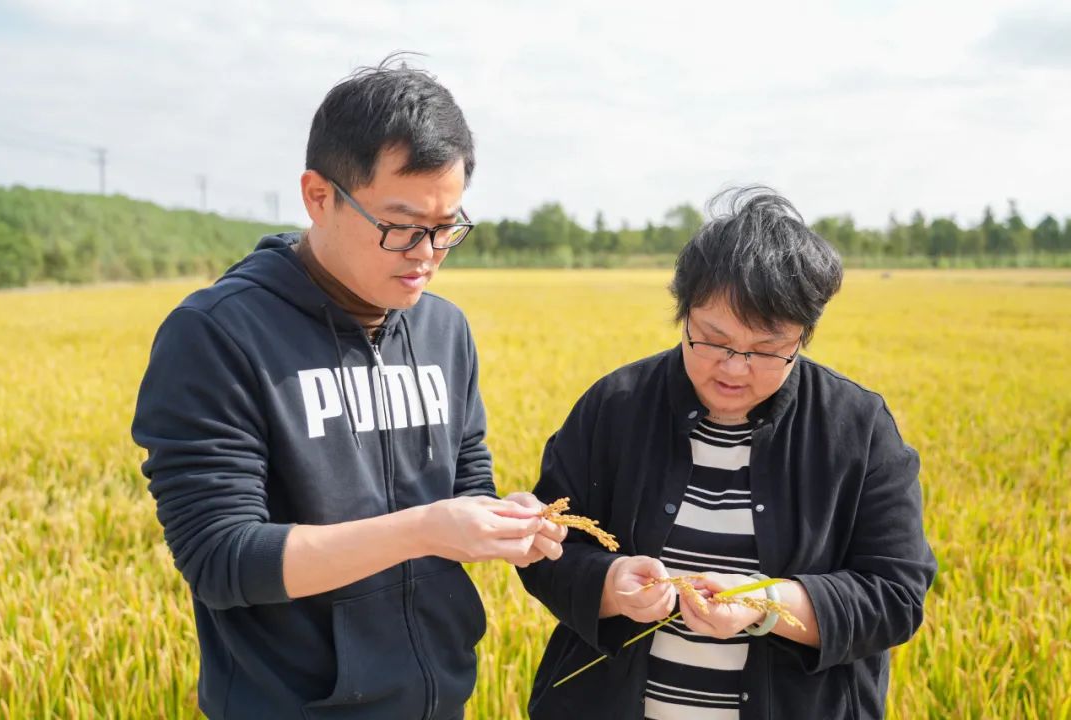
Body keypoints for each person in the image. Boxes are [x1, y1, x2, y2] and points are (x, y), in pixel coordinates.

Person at [132, 57, 564, 719]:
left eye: (446, 227)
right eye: (400, 226)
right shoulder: (217, 335)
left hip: (439, 700)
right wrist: (424, 530)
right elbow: (222, 559)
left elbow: (466, 481)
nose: (426, 253)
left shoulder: (445, 329)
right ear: (318, 196)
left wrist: (499, 519)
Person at [517, 188, 937, 719]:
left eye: (767, 349)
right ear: (684, 315)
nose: (735, 368)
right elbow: (548, 547)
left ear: (803, 336)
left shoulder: (857, 428)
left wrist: (766, 605)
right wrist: (610, 587)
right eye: (714, 340)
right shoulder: (616, 406)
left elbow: (896, 596)